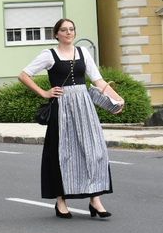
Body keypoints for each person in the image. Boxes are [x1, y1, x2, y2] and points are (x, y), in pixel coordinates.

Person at [18, 18, 120, 219]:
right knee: (62, 153)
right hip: (62, 107)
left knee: (94, 150)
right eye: (63, 30)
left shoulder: (83, 52)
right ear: (56, 34)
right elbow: (24, 75)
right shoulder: (49, 55)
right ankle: (61, 201)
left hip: (84, 106)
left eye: (71, 29)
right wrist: (44, 93)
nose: (68, 33)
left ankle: (95, 199)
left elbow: (97, 79)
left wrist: (117, 99)